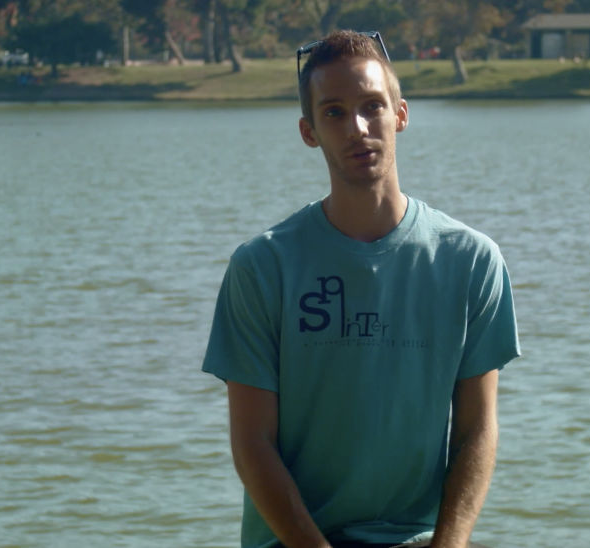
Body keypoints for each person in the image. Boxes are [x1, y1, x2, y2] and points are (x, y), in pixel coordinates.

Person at [202, 30, 520, 548]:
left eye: (373, 106)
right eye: (334, 112)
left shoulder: (470, 260)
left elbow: (476, 432)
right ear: (309, 132)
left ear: (401, 114)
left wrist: (450, 543)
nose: (358, 128)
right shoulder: (262, 265)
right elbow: (253, 442)